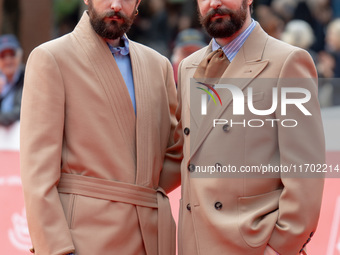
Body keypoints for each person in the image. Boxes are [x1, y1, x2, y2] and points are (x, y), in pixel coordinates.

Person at [20, 0, 181, 254]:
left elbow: (175, 152)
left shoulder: (157, 65)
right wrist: (57, 249)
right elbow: (37, 176)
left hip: (152, 237)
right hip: (83, 240)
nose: (115, 5)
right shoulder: (51, 58)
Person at [176, 0, 325, 255]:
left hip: (254, 245)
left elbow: (306, 170)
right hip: (195, 244)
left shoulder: (287, 61)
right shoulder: (187, 67)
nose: (214, 3)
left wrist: (280, 247)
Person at [0, 34, 24, 127]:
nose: (8, 60)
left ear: (19, 56)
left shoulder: (28, 78)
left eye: (12, 54)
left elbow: (21, 111)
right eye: (3, 55)